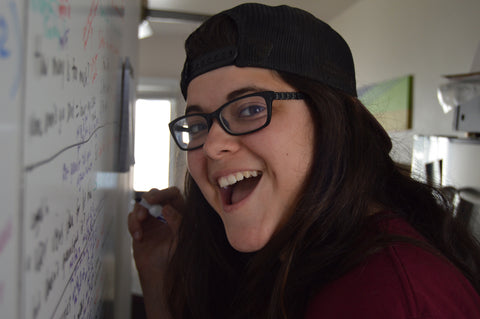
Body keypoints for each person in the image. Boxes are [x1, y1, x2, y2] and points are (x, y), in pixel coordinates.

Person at [128, 3, 480, 318]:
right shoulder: (291, 253)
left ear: (332, 121)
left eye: (250, 108)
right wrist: (161, 277)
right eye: (198, 124)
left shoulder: (383, 295)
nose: (211, 145)